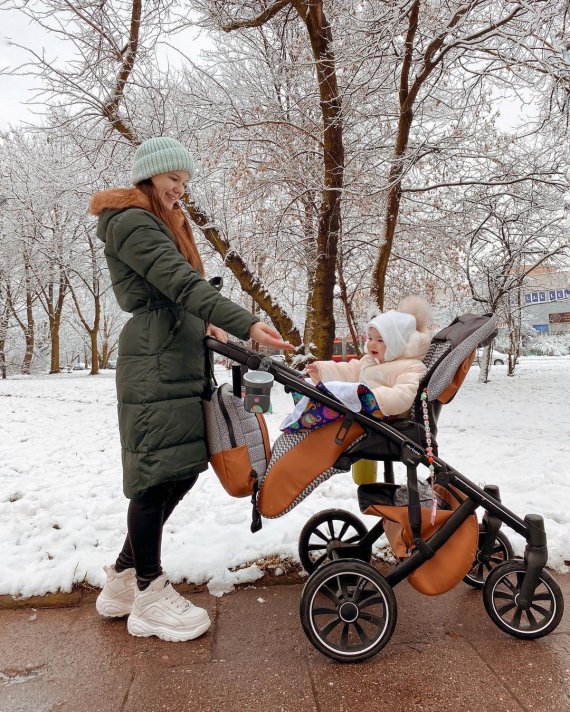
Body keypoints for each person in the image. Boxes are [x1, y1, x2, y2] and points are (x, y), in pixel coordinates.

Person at [89, 136, 292, 643]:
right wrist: (245, 322)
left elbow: (183, 294)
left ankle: (121, 580)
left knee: (179, 469)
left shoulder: (162, 220)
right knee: (156, 476)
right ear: (149, 177)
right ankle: (149, 593)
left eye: (184, 181)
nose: (180, 190)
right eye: (172, 180)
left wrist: (210, 327)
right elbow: (180, 283)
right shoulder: (133, 221)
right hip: (156, 361)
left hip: (179, 354)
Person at [305, 295, 432, 417]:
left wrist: (371, 396)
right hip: (362, 417)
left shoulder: (411, 366)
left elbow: (403, 395)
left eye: (380, 340)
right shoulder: (370, 361)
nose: (372, 344)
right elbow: (348, 371)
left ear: (397, 344)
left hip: (383, 420)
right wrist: (322, 369)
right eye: (370, 338)